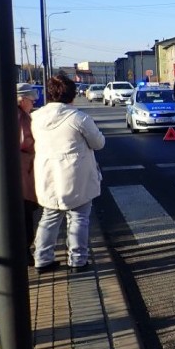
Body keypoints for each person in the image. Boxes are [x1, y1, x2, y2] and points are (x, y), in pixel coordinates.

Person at [31, 75, 105, 272]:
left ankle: (42, 259)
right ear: (72, 95)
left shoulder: (36, 118)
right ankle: (78, 260)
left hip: (47, 175)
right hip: (75, 176)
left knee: (49, 217)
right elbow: (98, 143)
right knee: (79, 218)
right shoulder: (78, 118)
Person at [17, 83, 40, 266]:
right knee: (24, 213)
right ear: (22, 99)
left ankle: (24, 250)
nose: (33, 103)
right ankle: (24, 252)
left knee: (25, 212)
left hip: (23, 169)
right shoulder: (20, 116)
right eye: (31, 100)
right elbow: (25, 141)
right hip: (22, 170)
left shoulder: (20, 114)